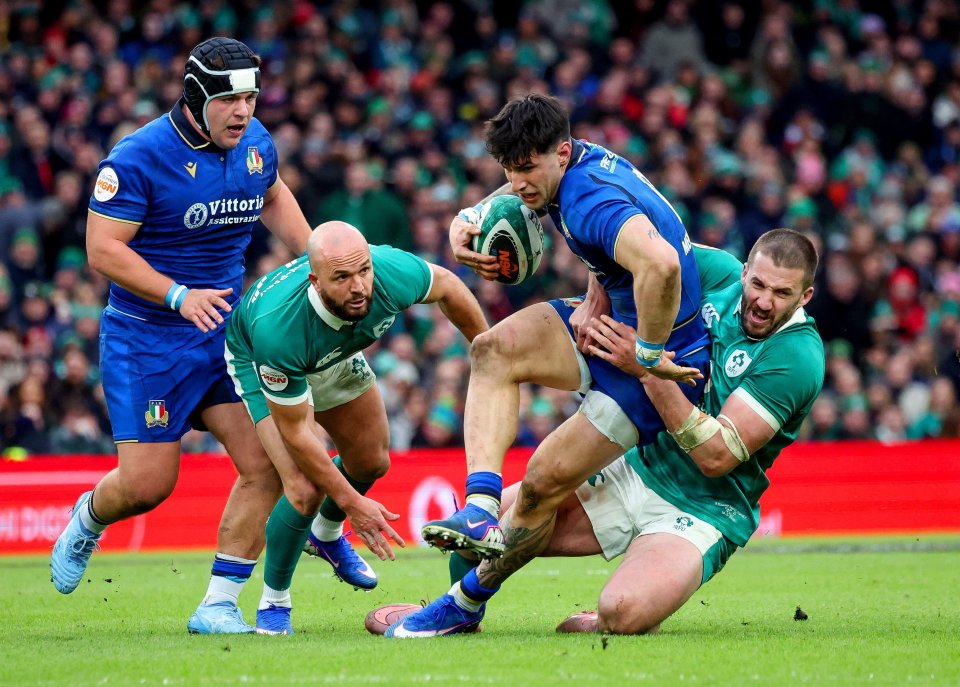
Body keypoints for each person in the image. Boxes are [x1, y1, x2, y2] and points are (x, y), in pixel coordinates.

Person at [384, 229, 825, 636]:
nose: (764, 301)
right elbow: (629, 255)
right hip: (635, 465)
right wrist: (597, 293)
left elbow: (716, 456)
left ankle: (620, 605)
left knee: (622, 613)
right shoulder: (716, 274)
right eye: (759, 285)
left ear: (804, 296)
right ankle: (460, 614)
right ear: (745, 271)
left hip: (706, 507)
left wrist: (645, 367)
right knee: (480, 534)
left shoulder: (797, 356)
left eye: (782, 293)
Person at [398, 93, 710, 636]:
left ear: (561, 153)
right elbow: (569, 214)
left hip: (650, 361)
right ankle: (477, 505)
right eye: (509, 170)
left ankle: (464, 604)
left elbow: (660, 264)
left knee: (541, 484)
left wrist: (649, 353)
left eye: (526, 169)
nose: (518, 185)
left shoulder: (589, 200)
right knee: (492, 350)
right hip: (608, 323)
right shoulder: (572, 165)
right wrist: (471, 216)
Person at [49, 38, 312, 635]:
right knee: (148, 486)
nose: (242, 112)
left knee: (266, 462)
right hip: (148, 339)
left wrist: (318, 256)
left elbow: (272, 193)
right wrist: (177, 294)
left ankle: (217, 605)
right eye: (228, 100)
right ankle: (88, 519)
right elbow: (102, 249)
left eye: (250, 97)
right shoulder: (137, 158)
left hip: (225, 335)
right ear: (195, 97)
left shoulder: (255, 143)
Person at [227, 220, 487, 634]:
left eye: (363, 271)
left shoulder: (389, 272)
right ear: (315, 280)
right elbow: (296, 433)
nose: (360, 287)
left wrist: (486, 351)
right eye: (342, 277)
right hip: (266, 360)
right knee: (303, 486)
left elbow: (450, 287)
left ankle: (325, 535)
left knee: (371, 461)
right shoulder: (278, 332)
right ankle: (273, 604)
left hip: (333, 351)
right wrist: (353, 504)